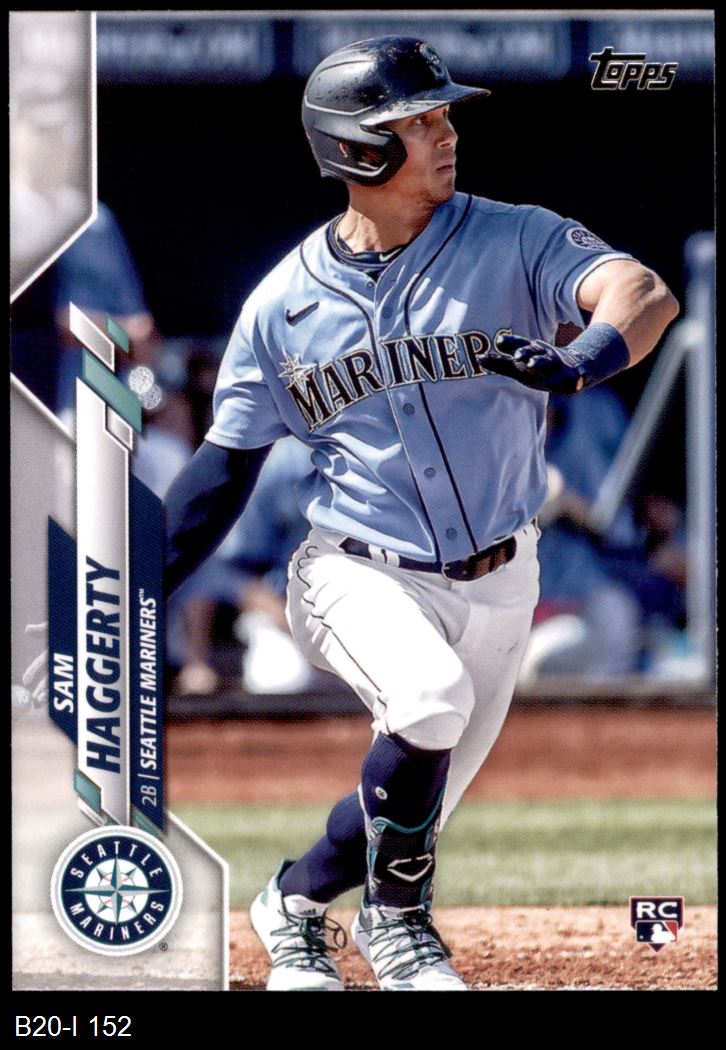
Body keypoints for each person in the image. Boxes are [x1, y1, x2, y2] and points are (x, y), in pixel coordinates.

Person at [164, 36, 679, 991]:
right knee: (430, 704)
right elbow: (222, 470)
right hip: (355, 570)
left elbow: (640, 291)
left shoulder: (513, 237)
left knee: (413, 797)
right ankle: (398, 929)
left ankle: (291, 905)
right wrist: (123, 592)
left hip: (504, 575)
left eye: (444, 115)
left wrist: (583, 358)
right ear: (356, 148)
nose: (446, 134)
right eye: (419, 120)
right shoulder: (282, 305)